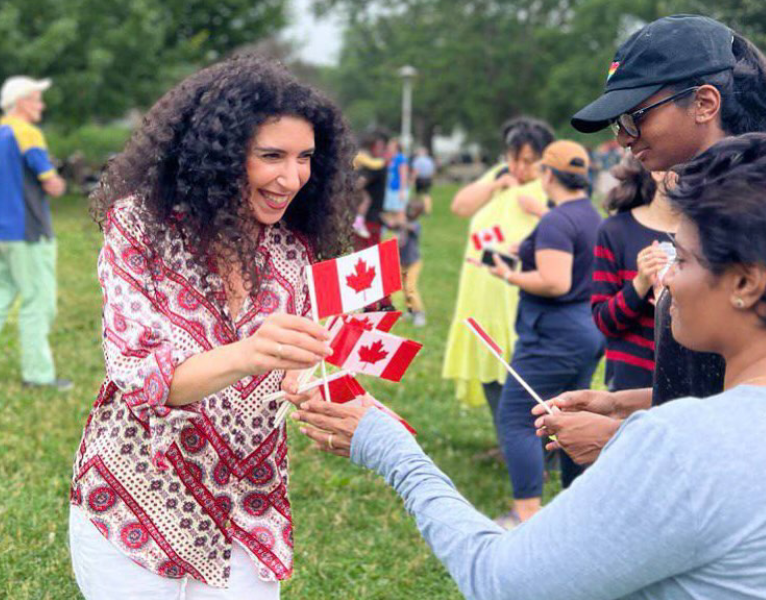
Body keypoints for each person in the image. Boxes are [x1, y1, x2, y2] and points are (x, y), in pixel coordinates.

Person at [293, 133, 766, 600]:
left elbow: (500, 581)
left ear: (745, 282)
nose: (666, 278)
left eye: (681, 258)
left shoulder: (680, 444)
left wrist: (389, 446)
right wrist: (624, 408)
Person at [69, 56, 354, 599]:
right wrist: (250, 352)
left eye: (305, 158)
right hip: (135, 506)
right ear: (219, 157)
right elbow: (142, 379)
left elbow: (299, 366)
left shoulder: (296, 250)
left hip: (246, 513)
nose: (291, 177)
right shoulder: (140, 229)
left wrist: (311, 385)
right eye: (271, 156)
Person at [535, 13, 766, 465]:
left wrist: (620, 442)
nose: (622, 138)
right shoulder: (712, 206)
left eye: (634, 117)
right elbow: (710, 387)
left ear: (704, 102)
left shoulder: (752, 221)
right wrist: (622, 404)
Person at [479, 140, 603, 525]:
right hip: (587, 329)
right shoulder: (589, 214)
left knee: (517, 418)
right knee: (566, 416)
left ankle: (526, 516)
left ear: (548, 174)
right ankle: (575, 510)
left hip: (553, 334)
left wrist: (508, 273)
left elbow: (554, 281)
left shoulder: (556, 221)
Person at [442, 117, 553, 419]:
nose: (519, 168)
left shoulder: (552, 185)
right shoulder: (500, 176)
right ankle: (507, 439)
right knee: (490, 364)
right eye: (513, 158)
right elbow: (460, 207)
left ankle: (542, 441)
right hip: (482, 292)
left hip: (522, 294)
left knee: (527, 370)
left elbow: (576, 229)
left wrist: (543, 212)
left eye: (528, 161)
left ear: (545, 157)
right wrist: (496, 183)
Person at [0, 76, 69, 389]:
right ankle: (38, 376)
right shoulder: (28, 133)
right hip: (27, 231)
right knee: (38, 301)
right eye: (37, 99)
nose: (41, 105)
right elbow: (52, 184)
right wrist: (59, 181)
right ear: (22, 102)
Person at [592, 156, 679, 391]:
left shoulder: (709, 230)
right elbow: (603, 322)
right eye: (685, 167)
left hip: (692, 380)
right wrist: (640, 283)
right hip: (631, 383)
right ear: (658, 172)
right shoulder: (615, 231)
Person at [352, 131, 387, 241]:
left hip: (372, 216)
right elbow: (358, 184)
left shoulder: (370, 164)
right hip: (370, 219)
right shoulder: (373, 166)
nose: (382, 149)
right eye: (378, 146)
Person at [399, 196, 429, 327]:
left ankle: (419, 313)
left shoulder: (416, 226)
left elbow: (410, 228)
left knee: (410, 287)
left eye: (413, 210)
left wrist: (401, 222)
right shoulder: (403, 222)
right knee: (404, 288)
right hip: (402, 261)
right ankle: (410, 311)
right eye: (408, 209)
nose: (410, 212)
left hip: (413, 262)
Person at [381, 138, 408, 228]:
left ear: (396, 147)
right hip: (390, 189)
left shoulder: (401, 158)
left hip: (398, 190)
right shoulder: (391, 158)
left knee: (400, 212)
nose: (389, 146)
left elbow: (403, 175)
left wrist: (402, 191)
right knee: (390, 212)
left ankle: (403, 233)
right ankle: (391, 233)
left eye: (391, 145)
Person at [410, 146, 436, 214]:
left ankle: (417, 209)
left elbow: (416, 171)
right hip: (428, 178)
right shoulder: (429, 160)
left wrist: (412, 180)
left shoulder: (417, 160)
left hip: (420, 179)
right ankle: (427, 210)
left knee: (417, 195)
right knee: (427, 195)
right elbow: (432, 171)